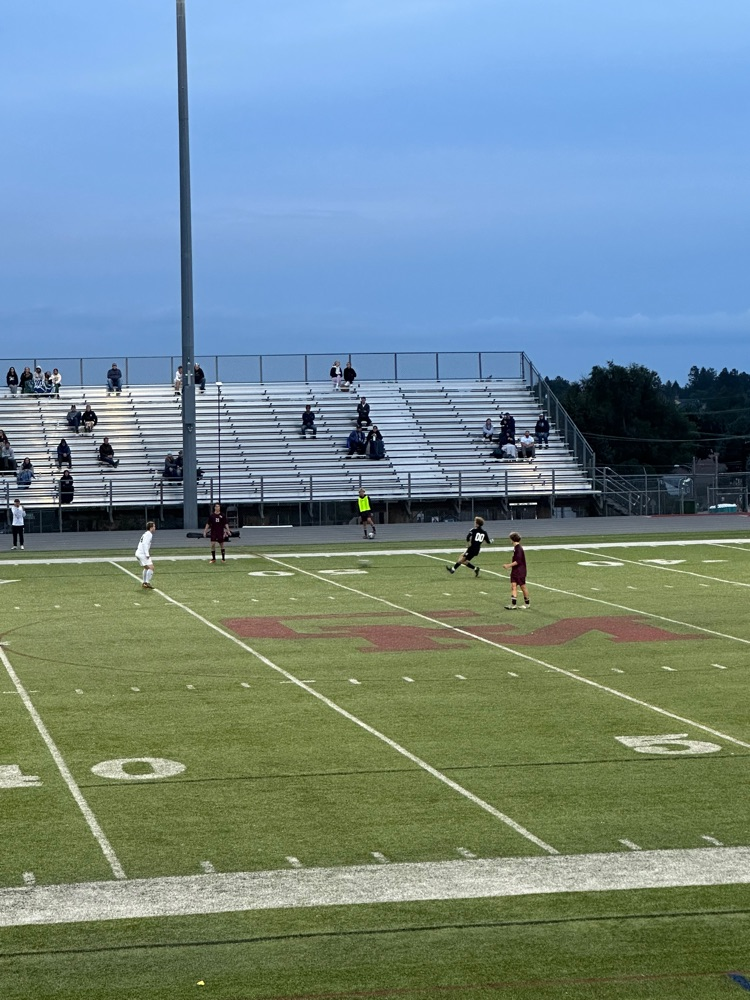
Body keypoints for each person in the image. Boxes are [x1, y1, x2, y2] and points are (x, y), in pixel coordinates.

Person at [503, 531, 530, 610]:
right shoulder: (516, 548)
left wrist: (508, 565)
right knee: (513, 586)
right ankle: (513, 604)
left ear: (512, 539)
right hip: (515, 571)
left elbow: (518, 561)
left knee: (523, 586)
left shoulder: (519, 549)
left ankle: (527, 604)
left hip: (520, 571)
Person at [135, 521, 156, 589]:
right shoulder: (149, 534)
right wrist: (147, 554)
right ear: (151, 527)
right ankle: (147, 582)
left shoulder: (145, 534)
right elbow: (145, 544)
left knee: (146, 568)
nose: (155, 528)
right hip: (142, 553)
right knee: (151, 567)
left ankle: (144, 583)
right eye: (154, 526)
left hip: (138, 553)